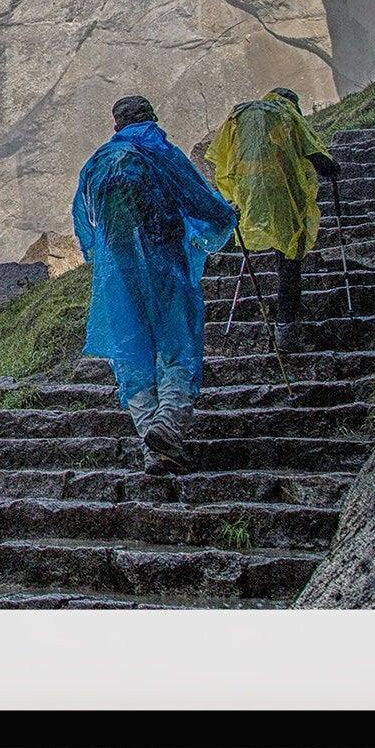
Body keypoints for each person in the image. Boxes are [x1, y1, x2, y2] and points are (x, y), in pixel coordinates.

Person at [73, 93, 239, 473]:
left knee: (134, 352)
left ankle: (154, 444)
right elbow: (198, 199)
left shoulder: (96, 164)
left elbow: (84, 224)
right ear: (152, 117)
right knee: (177, 342)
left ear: (115, 126)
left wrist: (106, 260)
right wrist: (225, 218)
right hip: (165, 261)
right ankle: (168, 424)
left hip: (120, 272)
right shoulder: (160, 152)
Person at [207, 87, 342, 351]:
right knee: (290, 260)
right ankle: (286, 329)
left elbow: (221, 157)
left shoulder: (241, 117)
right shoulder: (286, 115)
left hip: (250, 195)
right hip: (284, 196)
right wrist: (333, 168)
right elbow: (313, 153)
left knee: (276, 248)